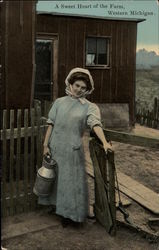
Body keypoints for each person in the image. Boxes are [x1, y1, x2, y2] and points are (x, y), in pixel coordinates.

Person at [38, 67, 113, 227]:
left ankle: (73, 216)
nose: (79, 89)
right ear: (70, 83)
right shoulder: (59, 102)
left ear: (87, 89)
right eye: (77, 85)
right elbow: (51, 125)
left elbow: (95, 124)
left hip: (73, 150)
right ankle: (60, 210)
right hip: (56, 147)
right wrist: (46, 145)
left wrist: (105, 142)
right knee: (57, 180)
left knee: (72, 183)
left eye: (83, 87)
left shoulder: (89, 107)